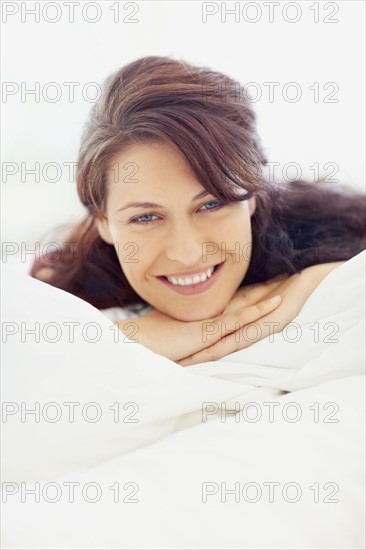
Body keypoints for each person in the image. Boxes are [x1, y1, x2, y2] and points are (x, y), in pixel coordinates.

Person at [31, 56, 366, 366]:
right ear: (103, 222)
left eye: (211, 204)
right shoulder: (64, 290)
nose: (188, 253)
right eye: (145, 217)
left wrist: (314, 283)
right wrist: (127, 339)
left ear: (251, 195)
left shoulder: (324, 232)